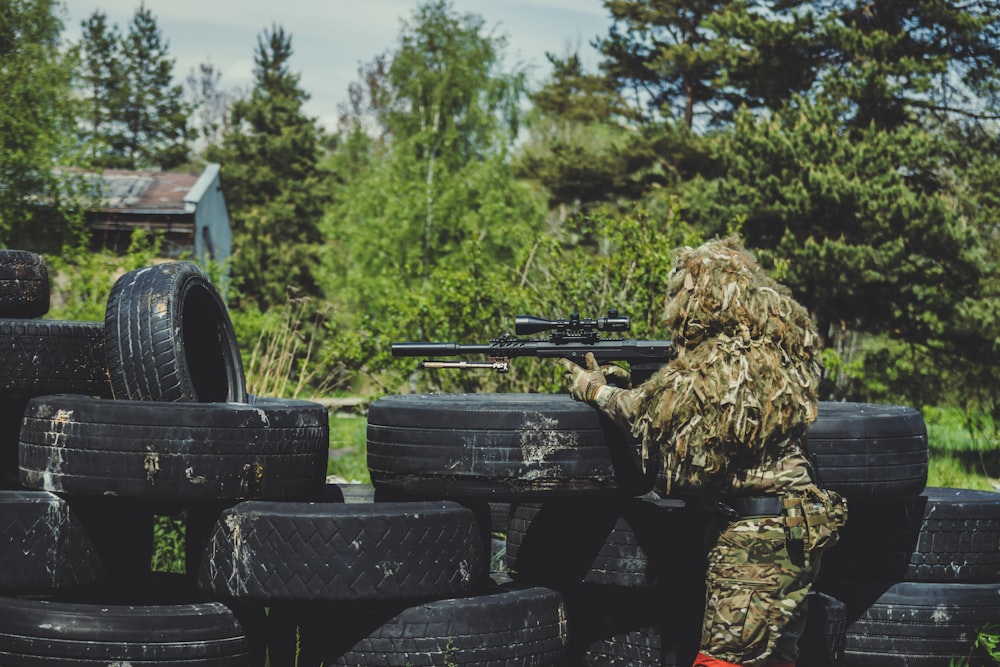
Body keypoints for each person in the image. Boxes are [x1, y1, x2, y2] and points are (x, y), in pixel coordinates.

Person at [558, 236, 847, 667]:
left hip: (757, 538)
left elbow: (647, 412)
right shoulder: (773, 351)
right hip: (796, 523)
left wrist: (594, 389)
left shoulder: (721, 363)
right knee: (774, 656)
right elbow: (695, 404)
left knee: (722, 660)